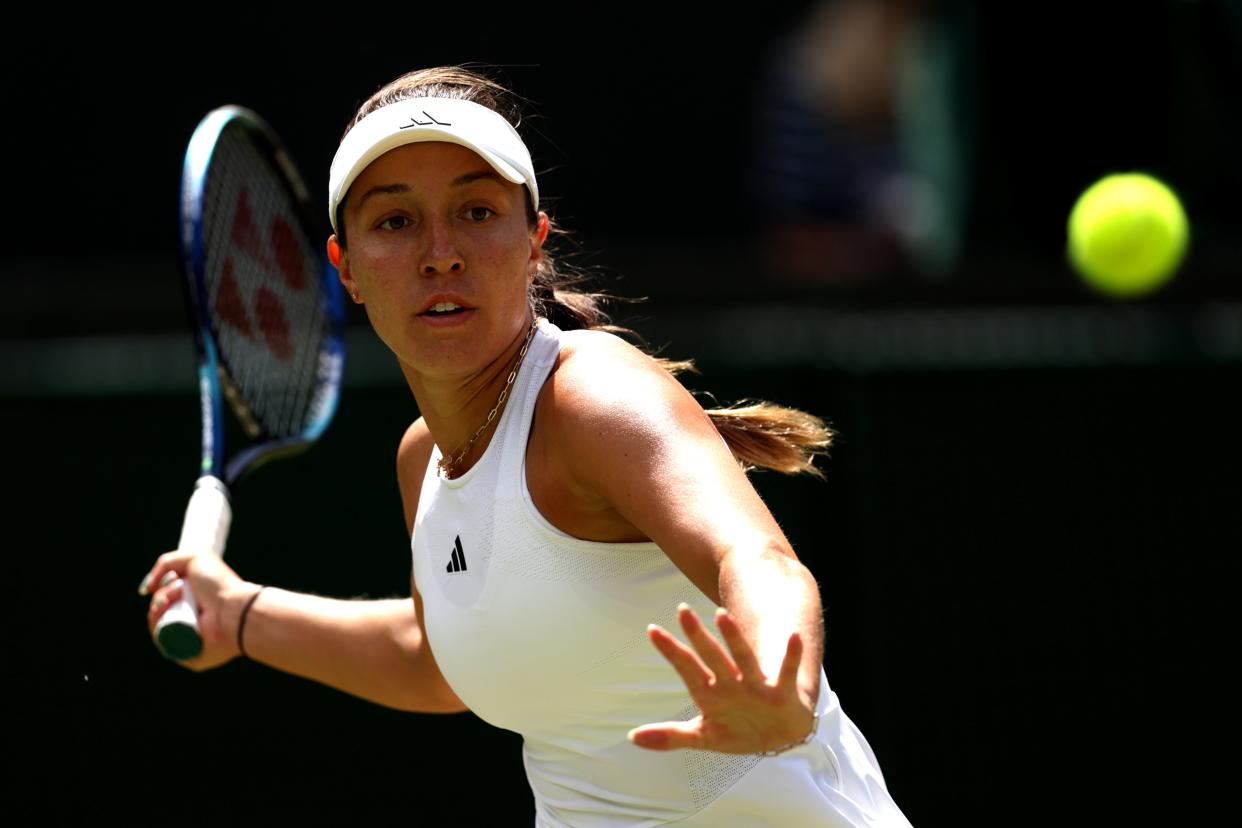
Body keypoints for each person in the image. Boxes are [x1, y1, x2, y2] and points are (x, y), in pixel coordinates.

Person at [140, 65, 913, 827]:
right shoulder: (425, 459)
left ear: (533, 241)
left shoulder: (596, 397)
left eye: (476, 212)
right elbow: (433, 656)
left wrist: (780, 680)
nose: (441, 253)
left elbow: (755, 558)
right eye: (395, 222)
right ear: (346, 270)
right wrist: (241, 614)